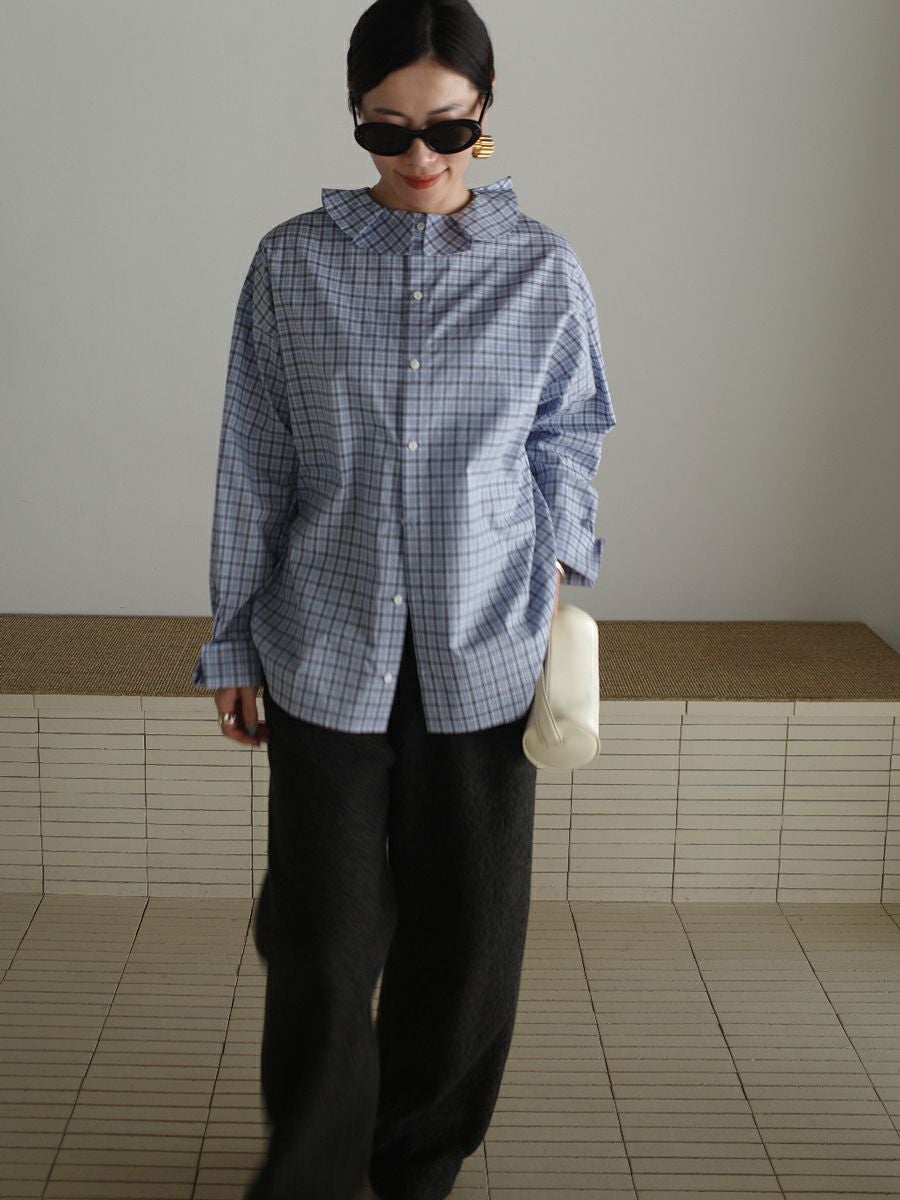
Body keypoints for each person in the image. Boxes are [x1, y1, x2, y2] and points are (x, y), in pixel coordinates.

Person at [191, 2, 616, 1196]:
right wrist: (232, 642)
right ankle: (312, 1174)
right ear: (355, 116)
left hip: (488, 650)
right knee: (322, 947)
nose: (418, 157)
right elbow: (254, 461)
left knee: (466, 946)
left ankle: (416, 1170)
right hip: (324, 645)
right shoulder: (291, 264)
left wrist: (553, 557)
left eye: (446, 128)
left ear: (485, 112)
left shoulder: (543, 269)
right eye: (386, 130)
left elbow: (572, 433)